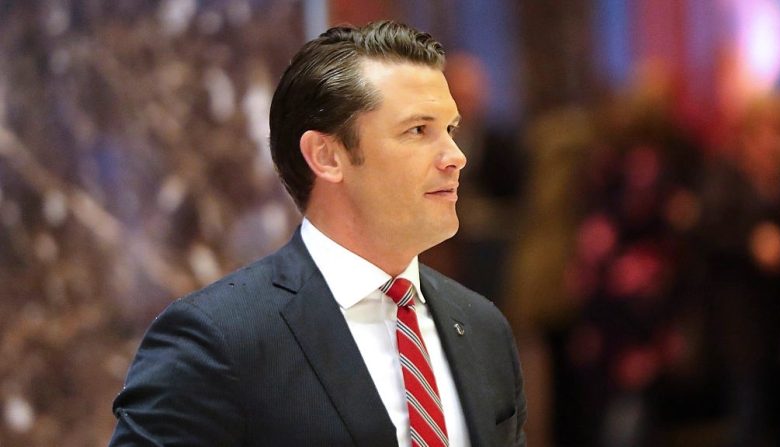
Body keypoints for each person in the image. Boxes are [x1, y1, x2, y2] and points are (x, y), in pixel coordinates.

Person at [108, 20, 527, 447]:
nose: (455, 156)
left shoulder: (482, 327)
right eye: (418, 130)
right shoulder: (215, 339)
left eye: (452, 129)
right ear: (327, 157)